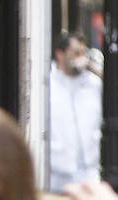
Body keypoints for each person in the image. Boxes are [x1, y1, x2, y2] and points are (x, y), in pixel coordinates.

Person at [48, 31, 103, 191]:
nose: (81, 58)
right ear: (60, 54)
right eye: (76, 53)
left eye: (84, 53)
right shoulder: (48, 84)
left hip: (88, 171)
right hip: (56, 172)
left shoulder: (94, 83)